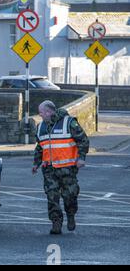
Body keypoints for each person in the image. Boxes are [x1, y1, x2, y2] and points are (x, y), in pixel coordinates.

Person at [32, 100, 89, 234]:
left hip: (67, 168)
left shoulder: (69, 123)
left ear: (49, 111)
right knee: (52, 196)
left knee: (70, 195)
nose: (39, 115)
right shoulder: (41, 127)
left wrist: (81, 158)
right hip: (49, 169)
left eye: (41, 112)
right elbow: (40, 147)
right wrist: (36, 163)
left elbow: (83, 140)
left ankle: (70, 215)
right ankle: (56, 222)